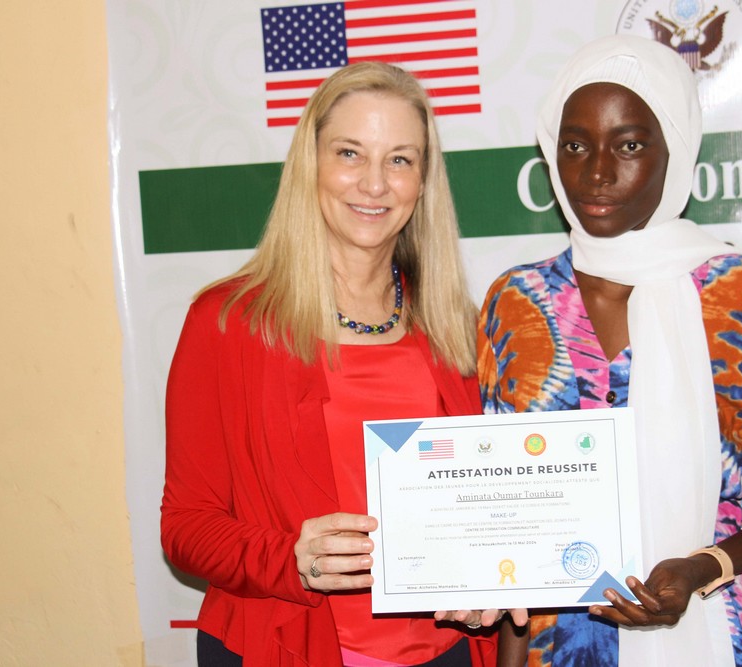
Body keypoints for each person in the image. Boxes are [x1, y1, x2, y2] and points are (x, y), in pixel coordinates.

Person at [478, 35, 742, 666]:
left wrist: (704, 565)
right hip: (564, 646)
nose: (597, 172)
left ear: (672, 149)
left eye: (629, 144)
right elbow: (508, 516)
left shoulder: (741, 294)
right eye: (575, 145)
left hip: (724, 631)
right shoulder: (518, 303)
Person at [161, 61, 502, 667]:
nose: (374, 184)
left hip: (445, 654)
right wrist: (286, 556)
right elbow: (185, 526)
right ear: (309, 166)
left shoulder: (458, 329)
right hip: (288, 646)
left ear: (423, 181)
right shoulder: (228, 322)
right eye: (350, 153)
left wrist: (491, 576)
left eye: (400, 159)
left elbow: (483, 509)